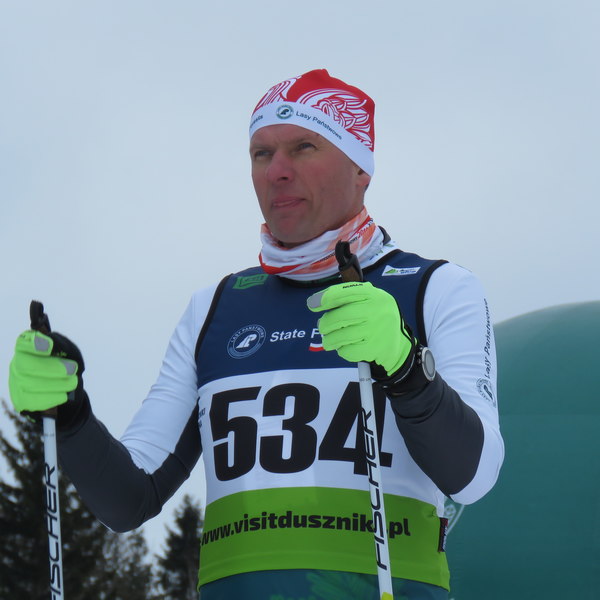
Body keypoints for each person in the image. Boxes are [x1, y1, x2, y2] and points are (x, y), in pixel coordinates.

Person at [9, 69, 504, 600]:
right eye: (261, 154)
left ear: (361, 167)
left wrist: (406, 367)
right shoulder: (215, 307)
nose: (278, 171)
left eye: (304, 147)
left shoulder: (436, 288)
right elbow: (129, 499)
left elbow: (474, 476)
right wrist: (71, 417)